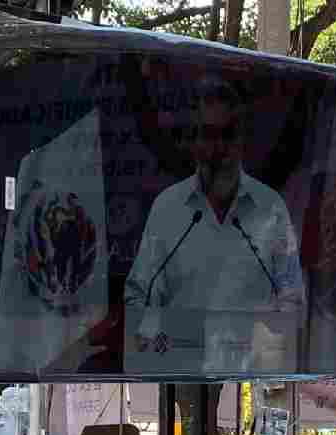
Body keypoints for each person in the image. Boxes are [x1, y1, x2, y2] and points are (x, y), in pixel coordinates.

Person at [124, 76, 305, 376]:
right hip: (180, 378)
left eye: (228, 134)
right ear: (193, 142)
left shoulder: (270, 208)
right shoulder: (167, 209)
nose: (218, 148)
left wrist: (271, 342)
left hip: (251, 380)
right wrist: (159, 337)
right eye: (208, 134)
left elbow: (292, 296)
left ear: (242, 140)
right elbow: (139, 294)